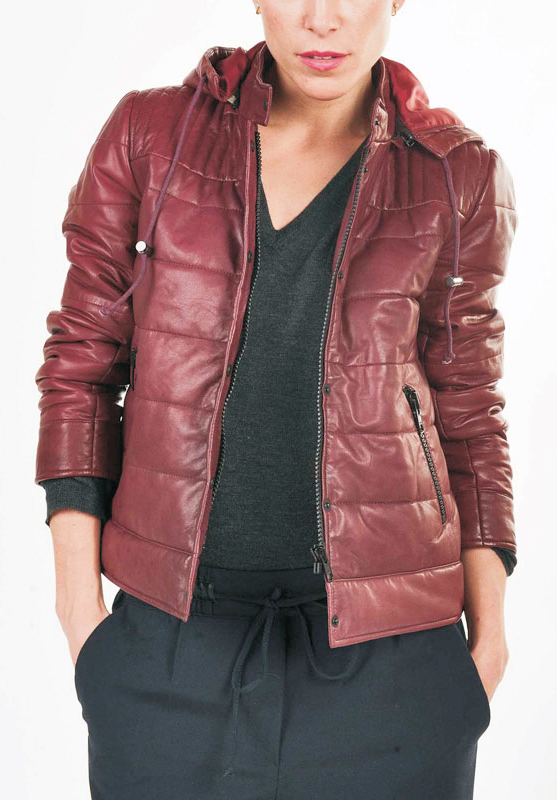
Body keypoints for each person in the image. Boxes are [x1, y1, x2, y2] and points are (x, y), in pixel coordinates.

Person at [34, 1, 518, 798]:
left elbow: (468, 406)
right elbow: (81, 366)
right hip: (168, 644)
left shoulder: (454, 171)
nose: (321, 20)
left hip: (395, 661)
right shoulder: (151, 136)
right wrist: (80, 615)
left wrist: (488, 641)